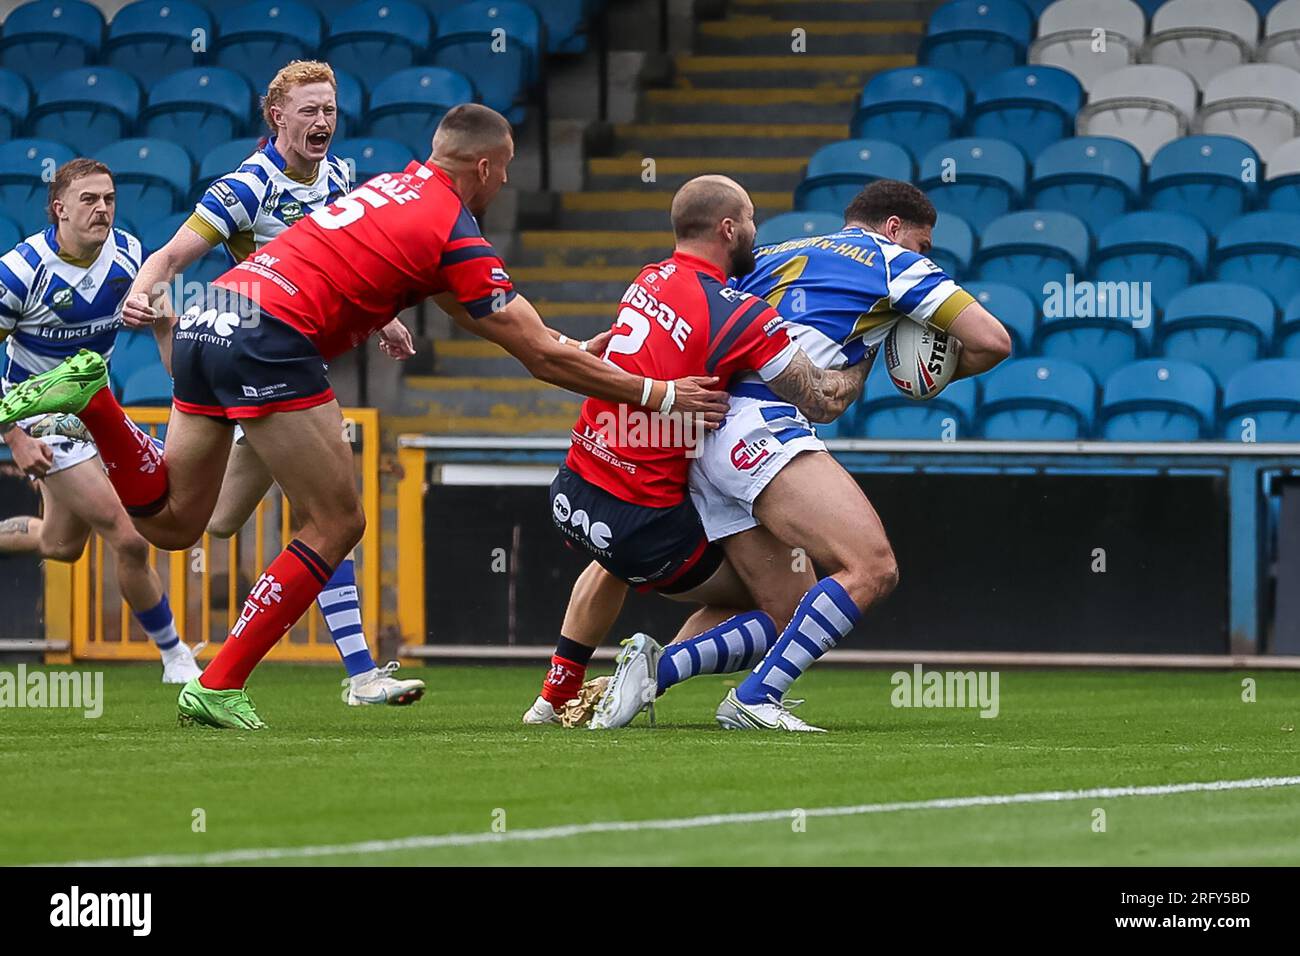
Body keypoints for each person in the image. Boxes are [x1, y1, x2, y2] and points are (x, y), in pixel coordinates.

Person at [0, 104, 728, 730]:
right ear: (481, 166)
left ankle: (95, 399)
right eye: (502, 170)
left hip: (211, 314)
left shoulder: (395, 186)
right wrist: (658, 395)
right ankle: (219, 682)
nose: (504, 182)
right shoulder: (453, 228)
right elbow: (535, 356)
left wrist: (569, 345)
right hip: (269, 339)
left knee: (173, 524)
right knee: (338, 521)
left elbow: (500, 324)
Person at [584, 179, 1011, 731]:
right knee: (872, 567)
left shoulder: (777, 251)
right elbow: (993, 341)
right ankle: (756, 699)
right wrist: (931, 378)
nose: (924, 258)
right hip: (759, 425)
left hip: (703, 430)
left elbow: (701, 310)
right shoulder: (892, 263)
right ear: (894, 228)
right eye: (923, 247)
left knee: (788, 610)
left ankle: (652, 672)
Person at [522, 175, 873, 730]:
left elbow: (619, 346)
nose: (757, 231)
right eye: (752, 218)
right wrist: (864, 358)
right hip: (646, 519)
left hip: (576, 489)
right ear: (729, 228)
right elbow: (821, 400)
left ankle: (554, 696)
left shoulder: (648, 279)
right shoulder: (740, 312)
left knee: (610, 564)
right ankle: (652, 669)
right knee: (789, 606)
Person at [123, 60, 421, 707]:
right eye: (309, 110)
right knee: (334, 514)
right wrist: (144, 292)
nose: (322, 122)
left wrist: (387, 319)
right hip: (264, 357)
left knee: (220, 523)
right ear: (275, 115)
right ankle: (358, 673)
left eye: (330, 110)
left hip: (272, 366)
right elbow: (174, 254)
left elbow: (350, 264)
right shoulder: (246, 188)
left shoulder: (340, 177)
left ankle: (114, 453)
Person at [0, 159, 201, 683]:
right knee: (128, 537)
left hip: (95, 411)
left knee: (59, 546)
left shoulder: (133, 256)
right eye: (89, 199)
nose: (103, 208)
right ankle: (175, 655)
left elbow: (166, 333)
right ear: (59, 208)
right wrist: (15, 437)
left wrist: (168, 345)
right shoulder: (21, 270)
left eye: (109, 198)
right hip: (38, 415)